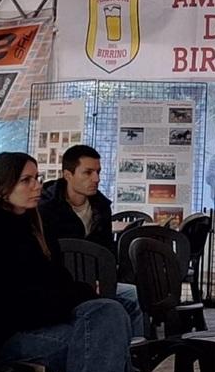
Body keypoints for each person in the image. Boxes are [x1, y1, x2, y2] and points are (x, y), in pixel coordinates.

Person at [0, 152, 137, 372]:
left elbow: (58, 283)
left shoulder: (35, 225)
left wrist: (76, 296)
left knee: (108, 311)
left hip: (45, 324)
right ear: (2, 186)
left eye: (36, 178)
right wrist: (71, 298)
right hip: (4, 336)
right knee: (106, 344)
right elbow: (15, 301)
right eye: (26, 180)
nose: (37, 185)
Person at [39, 145, 145, 338]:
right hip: (60, 284)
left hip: (97, 280)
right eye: (88, 172)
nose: (96, 178)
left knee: (133, 295)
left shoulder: (101, 206)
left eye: (98, 172)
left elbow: (106, 250)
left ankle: (133, 358)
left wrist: (103, 279)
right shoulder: (45, 209)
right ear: (68, 175)